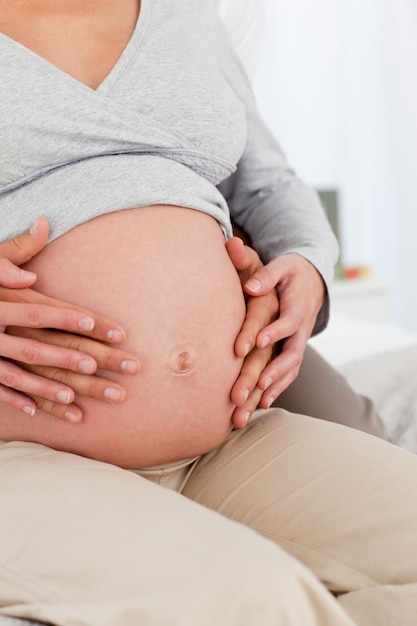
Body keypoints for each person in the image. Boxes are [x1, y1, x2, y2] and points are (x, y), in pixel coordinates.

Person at [0, 1, 415, 625]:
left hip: (230, 437)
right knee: (261, 601)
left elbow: (268, 185)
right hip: (22, 447)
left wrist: (305, 263)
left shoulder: (187, 13)